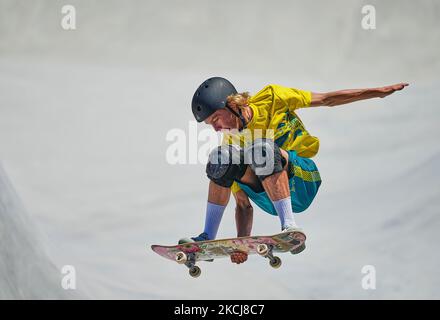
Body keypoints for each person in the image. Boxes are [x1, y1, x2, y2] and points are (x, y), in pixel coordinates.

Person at [179, 77, 408, 264]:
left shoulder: (272, 97)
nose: (217, 128)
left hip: (303, 180)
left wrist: (376, 92)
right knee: (221, 159)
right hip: (268, 198)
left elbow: (326, 99)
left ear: (233, 104)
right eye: (211, 124)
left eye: (216, 119)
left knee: (263, 149)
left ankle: (289, 224)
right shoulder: (232, 143)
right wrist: (242, 243)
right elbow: (242, 204)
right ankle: (207, 235)